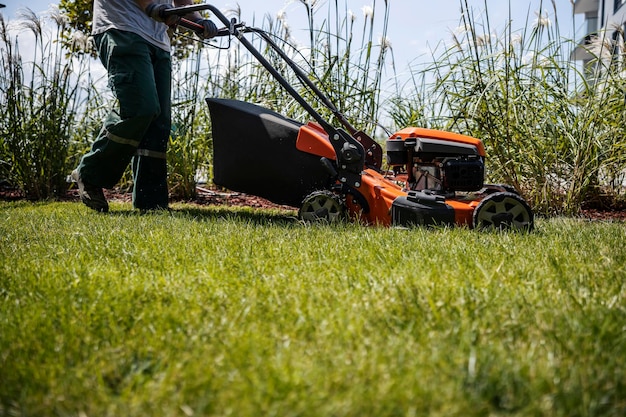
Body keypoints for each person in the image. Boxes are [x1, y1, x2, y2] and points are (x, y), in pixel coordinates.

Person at [71, 0, 218, 212]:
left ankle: (151, 202)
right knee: (139, 108)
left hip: (158, 38)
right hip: (122, 26)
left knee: (159, 123)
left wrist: (198, 20)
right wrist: (152, 7)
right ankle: (90, 172)